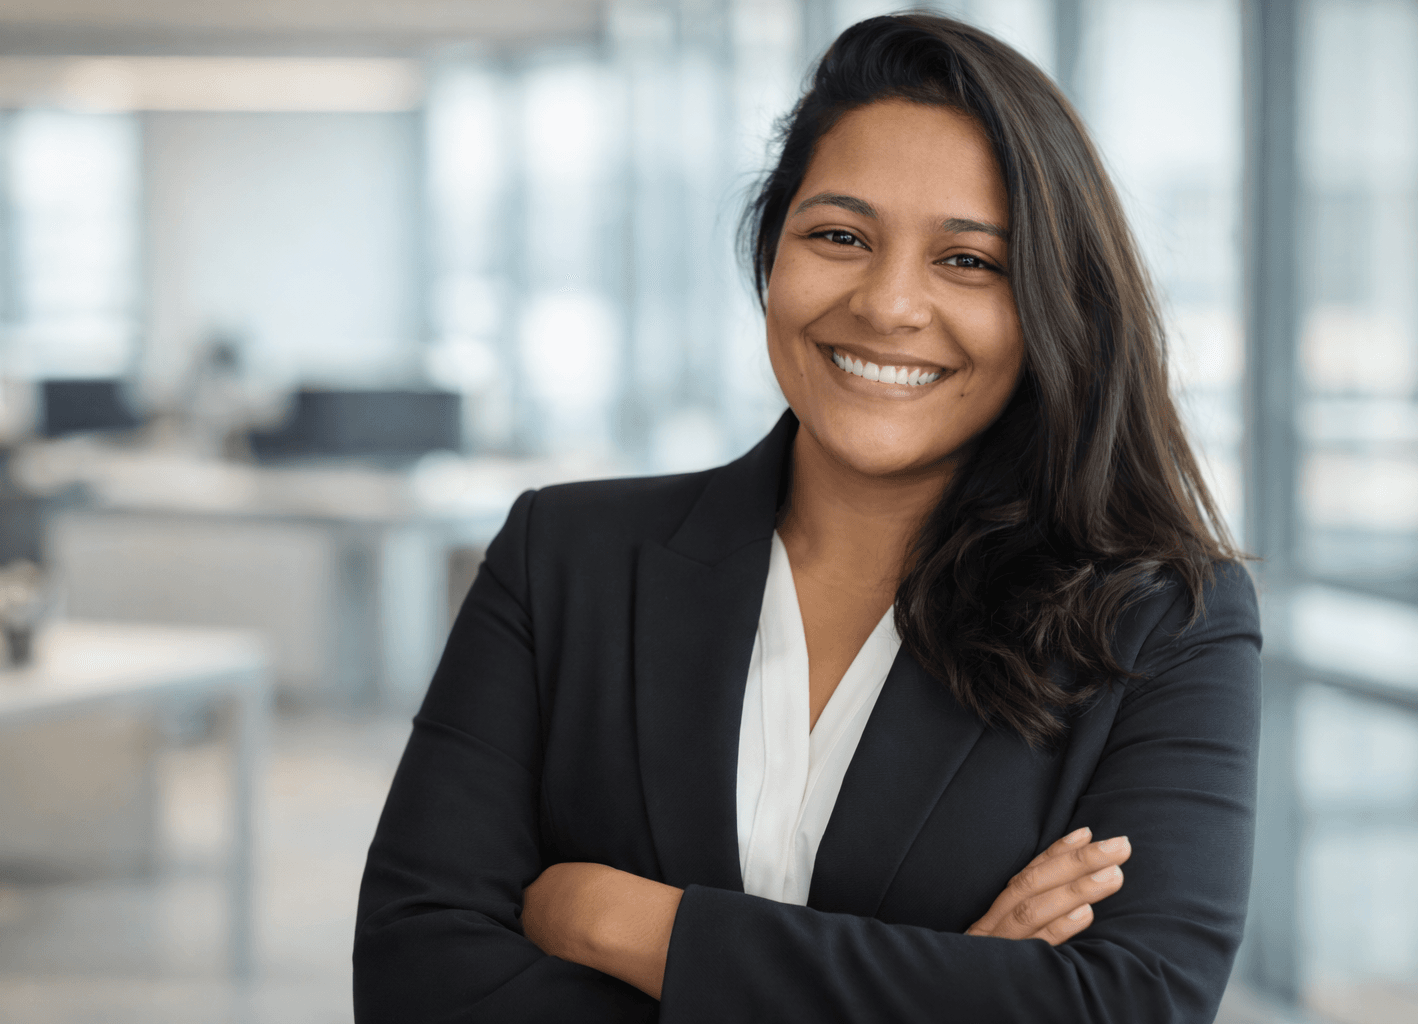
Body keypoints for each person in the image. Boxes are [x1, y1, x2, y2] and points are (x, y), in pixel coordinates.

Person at [354, 13, 1260, 1023]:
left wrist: (633, 925)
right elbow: (414, 971)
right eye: (840, 236)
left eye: (967, 261)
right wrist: (949, 986)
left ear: (1051, 303)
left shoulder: (1165, 620)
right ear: (771, 251)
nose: (887, 304)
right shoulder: (563, 560)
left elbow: (1130, 1006)